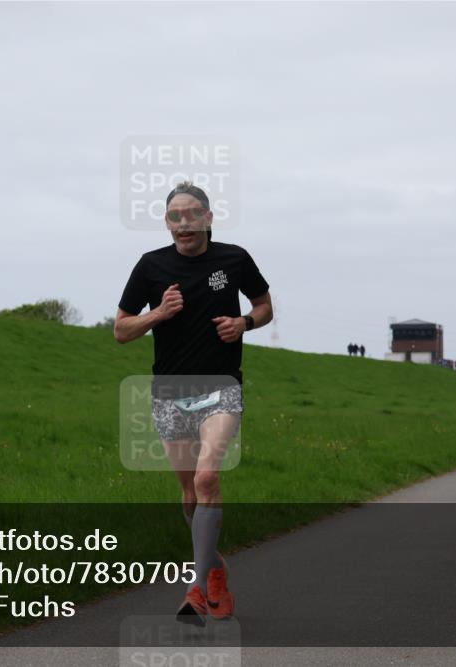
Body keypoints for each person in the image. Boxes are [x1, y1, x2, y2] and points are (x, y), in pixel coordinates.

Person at [115, 181, 272, 625]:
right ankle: (215, 568)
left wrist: (244, 323)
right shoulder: (150, 266)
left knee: (206, 479)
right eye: (174, 216)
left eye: (191, 214)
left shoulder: (234, 259)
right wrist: (159, 314)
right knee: (188, 495)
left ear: (208, 217)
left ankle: (198, 590)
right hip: (169, 393)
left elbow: (264, 306)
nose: (183, 222)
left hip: (221, 387)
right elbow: (121, 330)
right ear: (168, 223)